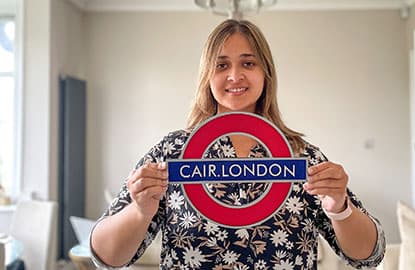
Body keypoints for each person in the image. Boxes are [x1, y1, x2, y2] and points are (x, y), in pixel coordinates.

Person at [90, 19, 385, 269]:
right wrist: (140, 211)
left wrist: (340, 208)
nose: (235, 75)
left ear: (265, 74)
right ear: (207, 76)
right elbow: (105, 257)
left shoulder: (301, 155)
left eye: (248, 63)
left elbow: (368, 257)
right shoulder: (172, 152)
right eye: (221, 65)